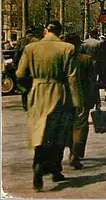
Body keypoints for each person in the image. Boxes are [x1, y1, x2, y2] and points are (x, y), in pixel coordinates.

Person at [16, 21, 83, 191]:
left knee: (40, 132)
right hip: (60, 93)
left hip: (37, 93)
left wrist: (28, 90)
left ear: (46, 30)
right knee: (59, 133)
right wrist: (77, 102)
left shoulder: (31, 48)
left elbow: (20, 74)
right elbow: (72, 78)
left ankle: (38, 166)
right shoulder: (67, 48)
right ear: (60, 32)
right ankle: (55, 169)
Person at [62, 33, 100, 170]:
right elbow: (92, 82)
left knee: (66, 125)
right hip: (83, 98)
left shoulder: (62, 59)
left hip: (64, 99)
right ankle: (75, 154)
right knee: (81, 127)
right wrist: (97, 99)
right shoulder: (86, 59)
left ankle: (67, 150)